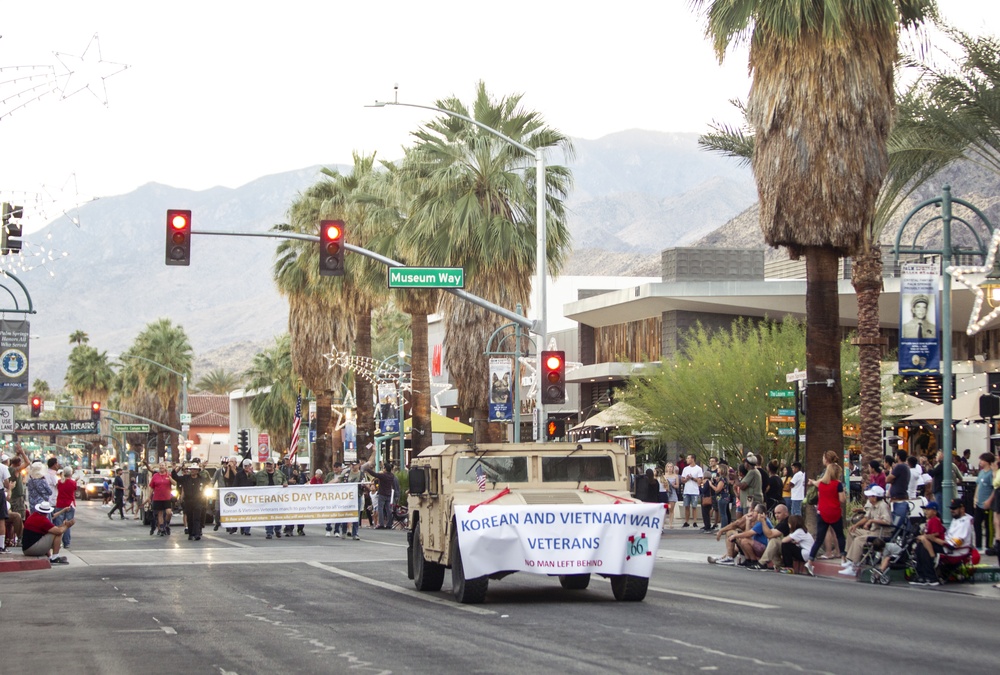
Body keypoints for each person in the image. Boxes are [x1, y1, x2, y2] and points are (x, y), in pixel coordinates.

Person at [839, 485, 892, 576]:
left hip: (881, 533)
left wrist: (872, 521)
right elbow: (866, 517)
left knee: (859, 540)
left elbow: (887, 521)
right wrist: (855, 525)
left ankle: (853, 565)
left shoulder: (883, 506)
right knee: (852, 531)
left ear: (875, 497)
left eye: (870, 496)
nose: (868, 497)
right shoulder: (873, 506)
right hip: (873, 531)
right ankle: (849, 559)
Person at [807, 450, 847, 570]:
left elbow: (817, 487)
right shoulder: (837, 484)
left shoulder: (821, 484)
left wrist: (812, 482)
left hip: (822, 512)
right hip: (834, 512)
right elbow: (842, 500)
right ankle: (843, 558)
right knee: (840, 535)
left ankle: (810, 560)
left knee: (819, 538)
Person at [174, 463, 211, 541]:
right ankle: (191, 533)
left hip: (198, 501)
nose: (192, 471)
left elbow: (208, 482)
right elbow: (174, 476)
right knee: (190, 518)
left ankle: (197, 533)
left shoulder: (201, 479)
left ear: (197, 471)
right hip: (188, 501)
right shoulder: (186, 478)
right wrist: (179, 468)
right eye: (191, 469)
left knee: (197, 517)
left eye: (194, 469)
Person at [729, 504, 772, 569]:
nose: (752, 512)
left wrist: (735, 535)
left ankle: (753, 560)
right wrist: (748, 521)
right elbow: (747, 532)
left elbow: (749, 534)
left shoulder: (763, 522)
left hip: (764, 547)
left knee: (745, 541)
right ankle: (748, 559)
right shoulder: (758, 521)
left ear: (759, 513)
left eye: (754, 511)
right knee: (742, 539)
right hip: (758, 546)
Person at [255, 459, 287, 539]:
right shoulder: (259, 474)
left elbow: (285, 480)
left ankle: (278, 530)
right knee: (268, 515)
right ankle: (269, 532)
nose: (268, 466)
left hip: (277, 498)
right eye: (267, 464)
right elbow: (251, 481)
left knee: (278, 515)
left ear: (274, 465)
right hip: (266, 499)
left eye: (270, 464)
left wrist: (285, 483)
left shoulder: (279, 474)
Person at [973, 452, 994, 551]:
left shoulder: (991, 474)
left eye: (982, 460)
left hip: (987, 504)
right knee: (977, 523)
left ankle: (988, 546)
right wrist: (975, 498)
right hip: (979, 503)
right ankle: (978, 544)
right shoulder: (981, 472)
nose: (980, 462)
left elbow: (994, 488)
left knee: (988, 525)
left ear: (987, 461)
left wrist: (989, 500)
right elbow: (978, 485)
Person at [148, 462, 175, 536]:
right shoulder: (155, 476)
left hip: (167, 497)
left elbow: (175, 483)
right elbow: (151, 487)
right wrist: (149, 497)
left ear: (166, 467)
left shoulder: (169, 475)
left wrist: (170, 478)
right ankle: (162, 527)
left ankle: (167, 524)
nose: (161, 467)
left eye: (163, 465)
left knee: (169, 512)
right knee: (159, 513)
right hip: (157, 497)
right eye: (160, 466)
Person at [886, 449, 911, 528]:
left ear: (898, 456)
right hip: (902, 494)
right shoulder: (906, 467)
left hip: (898, 496)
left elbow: (888, 479)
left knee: (896, 519)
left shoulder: (899, 466)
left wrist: (891, 473)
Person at [53, 467, 77, 549]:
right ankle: (66, 542)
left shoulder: (59, 482)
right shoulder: (73, 482)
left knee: (59, 524)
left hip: (60, 504)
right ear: (71, 473)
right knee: (67, 524)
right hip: (70, 504)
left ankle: (57, 541)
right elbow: (74, 489)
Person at [234, 458, 256, 535]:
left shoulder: (254, 475)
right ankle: (242, 527)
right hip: (241, 497)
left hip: (250, 497)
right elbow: (235, 485)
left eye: (248, 466)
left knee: (249, 513)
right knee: (242, 513)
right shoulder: (239, 474)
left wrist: (251, 474)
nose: (247, 467)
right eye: (245, 466)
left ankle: (247, 530)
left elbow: (255, 484)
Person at [680, 454, 703, 527]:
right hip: (687, 490)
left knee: (694, 507)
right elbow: (682, 480)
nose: (687, 459)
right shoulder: (685, 469)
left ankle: (695, 521)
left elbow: (700, 480)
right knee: (686, 506)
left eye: (688, 458)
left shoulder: (698, 469)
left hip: (694, 490)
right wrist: (686, 478)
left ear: (692, 459)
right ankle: (686, 521)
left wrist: (692, 478)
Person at [0, 453, 9, 554]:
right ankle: (1, 545)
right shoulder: (3, 467)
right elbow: (6, 483)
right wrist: (9, 487)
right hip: (0, 492)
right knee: (1, 519)